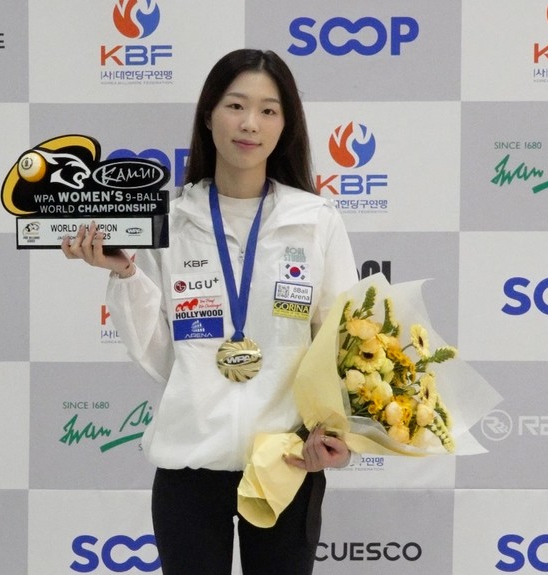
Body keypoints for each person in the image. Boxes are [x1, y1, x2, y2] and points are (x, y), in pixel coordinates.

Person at [62, 48, 357, 575]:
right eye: (235, 105)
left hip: (287, 462)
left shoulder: (316, 221)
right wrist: (125, 273)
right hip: (189, 467)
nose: (250, 124)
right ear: (207, 115)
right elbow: (160, 356)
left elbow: (343, 344)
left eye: (268, 110)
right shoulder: (170, 220)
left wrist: (332, 434)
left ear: (286, 125)